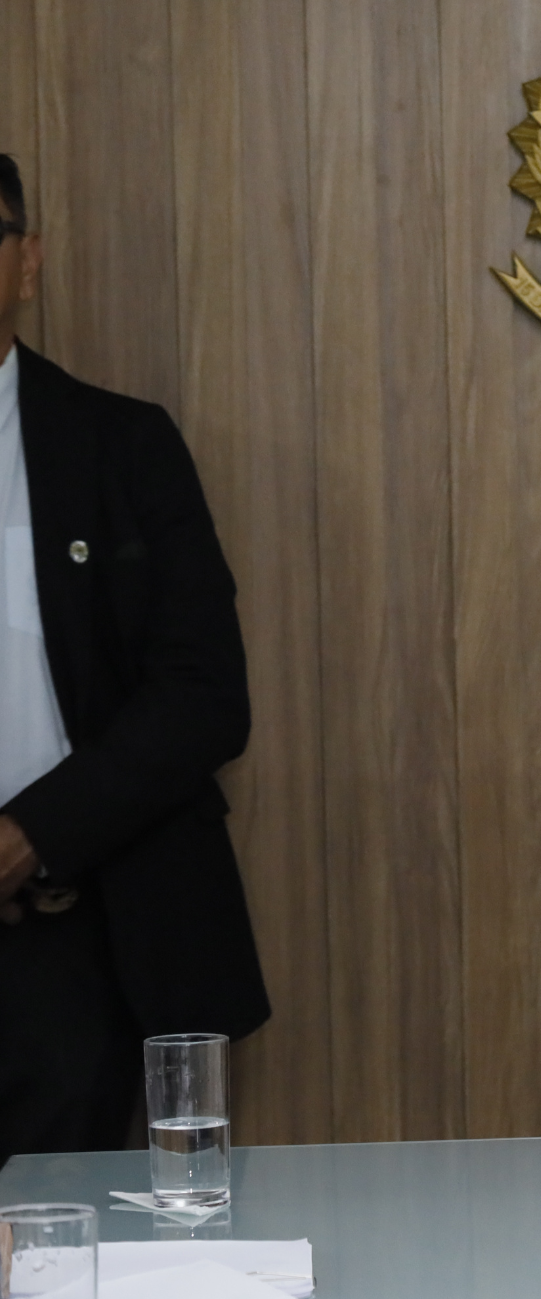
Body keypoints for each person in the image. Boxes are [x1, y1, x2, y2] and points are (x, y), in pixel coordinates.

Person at [0, 154, 268, 1164]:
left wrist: (28, 834)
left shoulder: (122, 446)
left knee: (68, 1225)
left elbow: (204, 695)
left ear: (28, 262)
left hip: (74, 925)